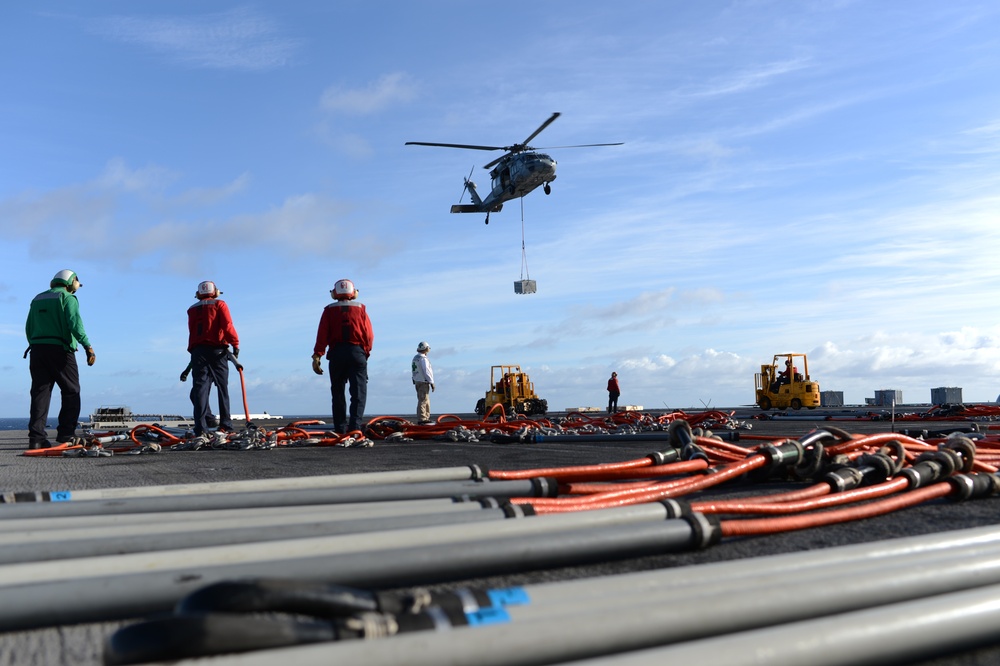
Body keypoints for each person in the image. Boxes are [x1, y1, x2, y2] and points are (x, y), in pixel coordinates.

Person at [24, 270, 96, 450]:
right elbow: (75, 324)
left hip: (37, 350)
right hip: (60, 350)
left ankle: (36, 438)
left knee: (40, 393)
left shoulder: (38, 298)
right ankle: (66, 434)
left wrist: (36, 344)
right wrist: (88, 346)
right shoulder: (68, 298)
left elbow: (28, 327)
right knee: (71, 390)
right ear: (71, 282)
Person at [312, 278, 374, 434]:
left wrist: (317, 355)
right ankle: (355, 428)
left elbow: (322, 335)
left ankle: (340, 429)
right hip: (357, 353)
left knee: (338, 393)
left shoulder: (328, 310)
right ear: (354, 293)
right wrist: (365, 353)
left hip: (336, 354)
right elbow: (369, 335)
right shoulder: (361, 309)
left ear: (334, 293)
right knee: (358, 392)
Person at [187, 280, 239, 442]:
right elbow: (227, 325)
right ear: (215, 291)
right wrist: (235, 344)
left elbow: (193, 330)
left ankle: (201, 428)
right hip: (218, 350)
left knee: (200, 390)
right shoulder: (220, 304)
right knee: (222, 388)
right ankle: (225, 424)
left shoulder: (192, 309)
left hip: (198, 352)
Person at [411, 341, 435, 424]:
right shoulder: (423, 359)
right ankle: (422, 418)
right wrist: (431, 382)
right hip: (423, 381)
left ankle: (426, 417)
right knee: (423, 400)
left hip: (417, 381)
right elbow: (427, 371)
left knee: (425, 400)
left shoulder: (415, 358)